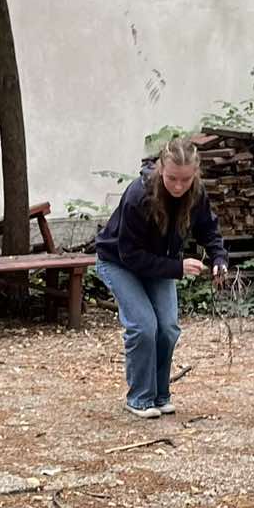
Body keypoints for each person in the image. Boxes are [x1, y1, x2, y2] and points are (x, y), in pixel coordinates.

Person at [95, 137, 228, 417]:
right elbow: (130, 255)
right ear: (161, 169)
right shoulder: (139, 195)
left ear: (195, 174)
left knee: (167, 328)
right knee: (144, 326)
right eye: (172, 179)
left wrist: (219, 259)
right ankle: (139, 398)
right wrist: (177, 268)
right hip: (119, 262)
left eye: (185, 180)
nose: (179, 186)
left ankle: (160, 395)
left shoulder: (197, 193)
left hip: (159, 264)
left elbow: (208, 229)